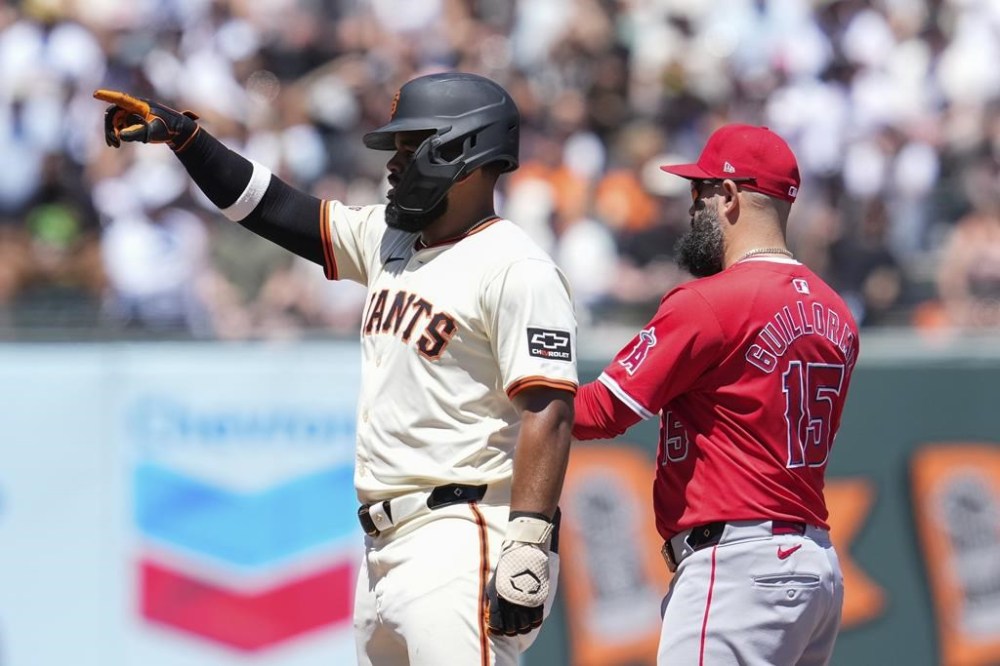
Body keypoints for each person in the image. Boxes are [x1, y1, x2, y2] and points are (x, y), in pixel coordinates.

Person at [95, 72, 577, 666]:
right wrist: (189, 140)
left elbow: (549, 412)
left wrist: (530, 538)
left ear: (464, 149)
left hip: (459, 534)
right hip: (380, 550)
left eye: (410, 147)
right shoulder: (389, 238)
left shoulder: (516, 268)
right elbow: (269, 208)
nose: (394, 165)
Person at [572, 124, 859, 665]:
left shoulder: (710, 302)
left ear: (728, 195)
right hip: (814, 565)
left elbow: (598, 412)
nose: (691, 207)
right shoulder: (836, 311)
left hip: (738, 568)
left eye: (698, 191)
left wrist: (505, 390)